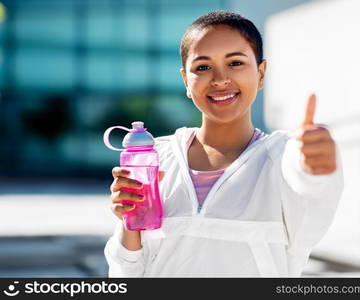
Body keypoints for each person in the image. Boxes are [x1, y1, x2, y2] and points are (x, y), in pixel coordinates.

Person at [104, 10, 343, 277]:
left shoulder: (281, 155)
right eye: (203, 67)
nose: (219, 79)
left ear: (261, 73)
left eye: (236, 63)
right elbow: (126, 270)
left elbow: (308, 190)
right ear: (185, 80)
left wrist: (313, 170)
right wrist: (129, 220)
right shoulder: (156, 157)